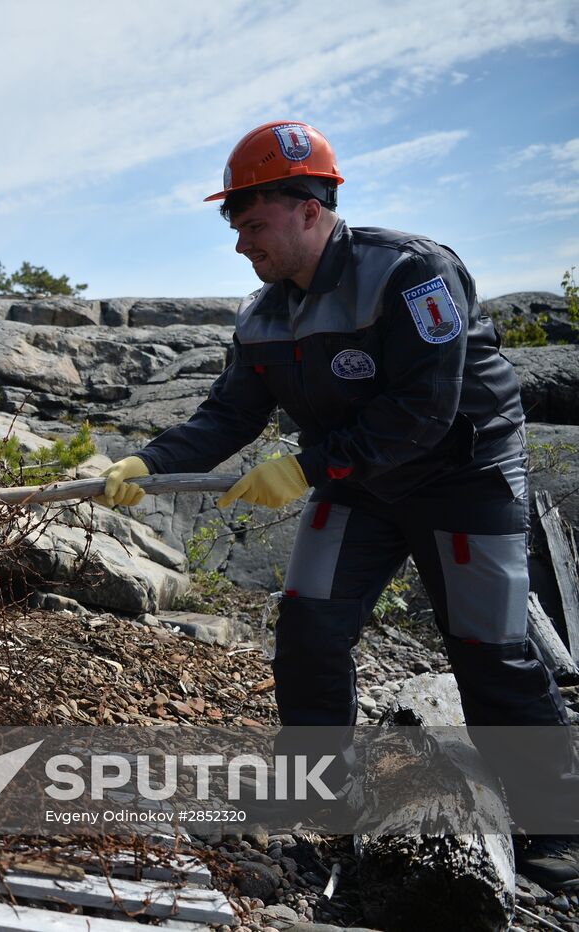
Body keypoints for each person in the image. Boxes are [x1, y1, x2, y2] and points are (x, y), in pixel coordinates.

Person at [95, 120, 579, 889]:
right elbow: (227, 416)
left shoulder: (411, 273)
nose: (240, 243)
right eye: (235, 226)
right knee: (310, 629)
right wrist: (147, 464)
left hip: (465, 477)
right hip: (360, 485)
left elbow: (426, 408)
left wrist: (308, 467)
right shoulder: (261, 316)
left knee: (491, 651)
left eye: (252, 223)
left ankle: (560, 827)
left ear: (308, 209)